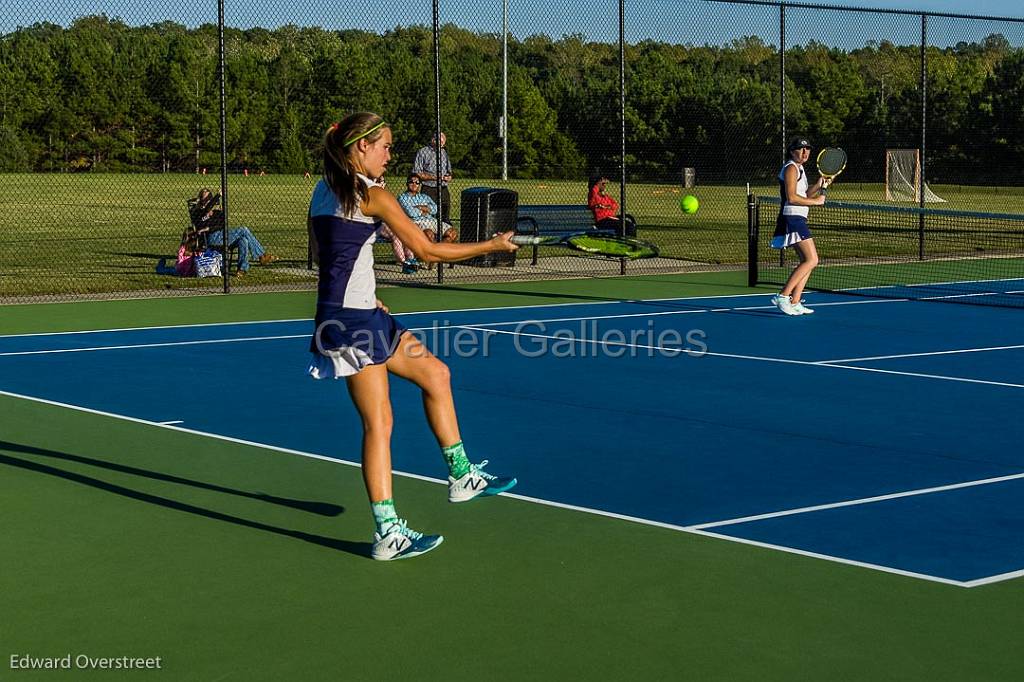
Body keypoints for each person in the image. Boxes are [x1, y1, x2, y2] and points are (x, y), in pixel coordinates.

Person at [307, 112, 520, 561]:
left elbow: (332, 257)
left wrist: (369, 295)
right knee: (379, 423)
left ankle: (462, 477)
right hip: (351, 323)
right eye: (384, 145)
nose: (390, 154)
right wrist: (492, 246)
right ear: (361, 147)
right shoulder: (374, 196)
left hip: (359, 313)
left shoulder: (322, 190)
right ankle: (387, 533)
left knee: (437, 374)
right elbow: (426, 251)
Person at [770, 136, 825, 316]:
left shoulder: (799, 168)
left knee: (807, 261)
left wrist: (818, 186)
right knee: (812, 260)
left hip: (798, 218)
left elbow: (803, 194)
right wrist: (816, 202)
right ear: (792, 151)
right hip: (792, 218)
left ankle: (795, 301)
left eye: (807, 149)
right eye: (801, 149)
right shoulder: (791, 168)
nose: (805, 152)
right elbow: (792, 197)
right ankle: (783, 296)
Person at [189, 189, 278, 276]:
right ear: (201, 199)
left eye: (210, 198)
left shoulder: (215, 212)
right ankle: (261, 256)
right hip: (211, 238)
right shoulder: (198, 212)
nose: (208, 200)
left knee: (243, 240)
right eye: (206, 198)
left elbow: (223, 225)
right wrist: (218, 195)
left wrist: (209, 227)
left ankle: (242, 269)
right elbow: (205, 214)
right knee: (243, 229)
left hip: (222, 235)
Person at [411, 132, 452, 225]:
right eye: (440, 141)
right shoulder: (423, 152)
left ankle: (443, 236)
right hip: (428, 188)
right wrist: (436, 178)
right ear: (433, 140)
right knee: (429, 216)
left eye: (443, 142)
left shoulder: (444, 152)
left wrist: (449, 177)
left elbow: (449, 171)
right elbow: (417, 173)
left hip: (443, 188)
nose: (442, 144)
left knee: (445, 216)